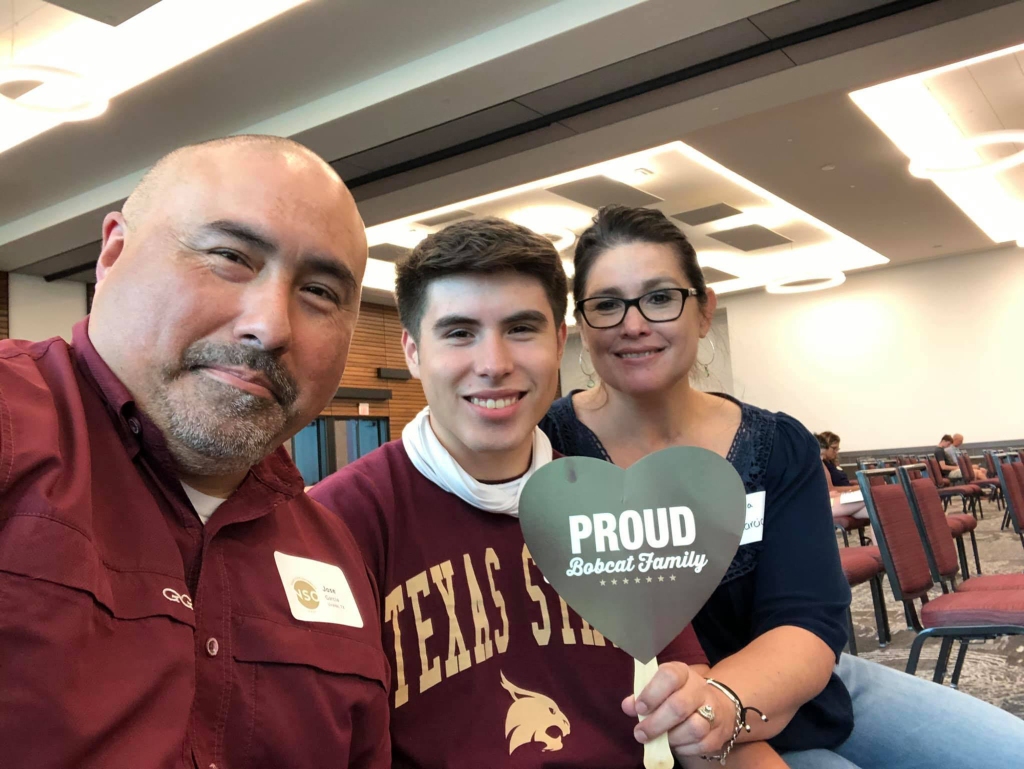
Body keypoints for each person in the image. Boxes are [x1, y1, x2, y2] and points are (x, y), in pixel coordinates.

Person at [540, 204, 1024, 768]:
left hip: (796, 682)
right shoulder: (546, 450)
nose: (634, 323)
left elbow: (805, 616)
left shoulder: (775, 444)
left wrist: (720, 705)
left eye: (660, 297)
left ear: (703, 310)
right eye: (606, 305)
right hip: (652, 723)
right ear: (580, 325)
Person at [311, 218, 784, 768]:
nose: (494, 364)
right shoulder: (337, 523)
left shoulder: (614, 506)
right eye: (459, 332)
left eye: (521, 329)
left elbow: (694, 721)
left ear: (559, 342)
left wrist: (702, 718)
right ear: (414, 351)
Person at [0, 136, 390, 769]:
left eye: (319, 293)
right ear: (114, 251)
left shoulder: (335, 553)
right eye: (230, 256)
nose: (272, 326)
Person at [816, 432, 867, 520]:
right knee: (869, 496)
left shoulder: (823, 463)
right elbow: (829, 491)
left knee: (878, 513)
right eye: (834, 449)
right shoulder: (816, 464)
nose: (821, 458)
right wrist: (857, 488)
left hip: (836, 498)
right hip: (824, 504)